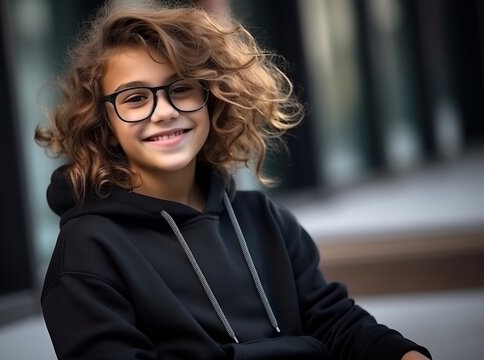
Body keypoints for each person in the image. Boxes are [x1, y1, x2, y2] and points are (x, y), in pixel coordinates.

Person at [36, 1, 432, 359]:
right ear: (104, 124)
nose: (163, 112)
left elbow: (336, 323)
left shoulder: (265, 219)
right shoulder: (86, 251)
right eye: (136, 98)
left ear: (213, 100)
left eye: (181, 89)